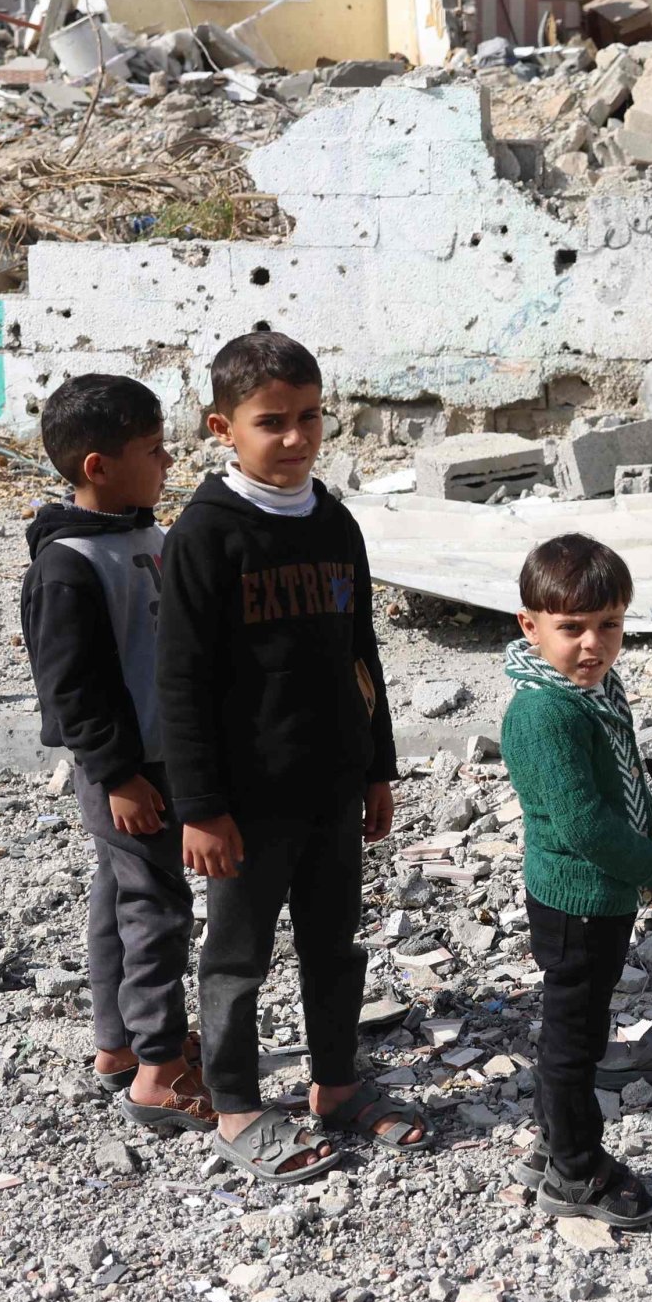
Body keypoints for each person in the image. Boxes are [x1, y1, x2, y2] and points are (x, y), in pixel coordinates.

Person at [156, 330, 424, 1183]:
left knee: (334, 944)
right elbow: (181, 682)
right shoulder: (205, 535)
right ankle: (236, 1103)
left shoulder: (335, 521)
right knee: (237, 955)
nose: (296, 438)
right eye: (272, 421)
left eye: (310, 417)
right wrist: (199, 806)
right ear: (220, 427)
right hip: (244, 799)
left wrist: (378, 765)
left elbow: (361, 651)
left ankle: (337, 1085)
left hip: (332, 783)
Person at [22, 373, 210, 1133]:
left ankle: (118, 1043)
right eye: (153, 450)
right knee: (156, 907)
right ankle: (162, 1067)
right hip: (128, 771)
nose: (168, 462)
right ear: (97, 466)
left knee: (121, 891)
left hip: (156, 757)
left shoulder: (144, 535)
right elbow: (72, 690)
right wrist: (119, 774)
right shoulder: (67, 566)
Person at [501, 532, 652, 1227]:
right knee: (574, 1041)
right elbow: (583, 823)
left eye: (609, 625)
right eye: (571, 628)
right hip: (578, 898)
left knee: (573, 1028)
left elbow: (625, 770)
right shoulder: (545, 711)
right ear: (530, 624)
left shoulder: (594, 692)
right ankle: (576, 1170)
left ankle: (552, 1141)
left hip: (595, 893)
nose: (592, 644)